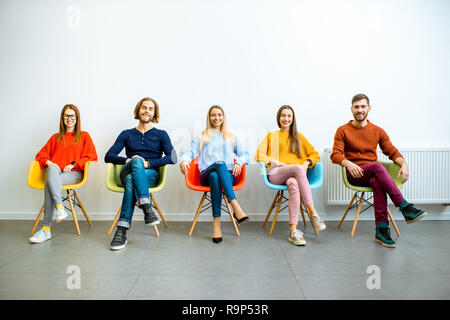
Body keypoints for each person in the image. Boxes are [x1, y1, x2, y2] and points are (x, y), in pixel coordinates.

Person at [331, 93, 427, 248]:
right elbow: (335, 155)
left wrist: (404, 164)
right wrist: (348, 164)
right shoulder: (342, 130)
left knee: (377, 181)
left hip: (373, 173)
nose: (360, 110)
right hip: (354, 174)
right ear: (351, 109)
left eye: (363, 106)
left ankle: (381, 230)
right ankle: (404, 206)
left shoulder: (378, 131)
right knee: (377, 166)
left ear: (369, 108)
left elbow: (392, 152)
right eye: (356, 107)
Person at [105, 97, 177, 250]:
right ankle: (146, 206)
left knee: (133, 177)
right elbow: (108, 156)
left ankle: (122, 231)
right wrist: (128, 161)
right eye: (144, 107)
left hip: (149, 175)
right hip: (127, 170)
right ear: (138, 110)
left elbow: (173, 157)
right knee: (135, 162)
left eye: (150, 109)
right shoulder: (126, 134)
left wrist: (148, 163)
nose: (147, 111)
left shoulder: (161, 134)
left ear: (154, 113)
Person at [255, 105, 325, 246]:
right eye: (283, 115)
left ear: (293, 119)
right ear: (278, 118)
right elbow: (258, 154)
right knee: (298, 170)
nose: (286, 118)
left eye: (289, 116)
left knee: (293, 184)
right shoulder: (272, 136)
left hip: (294, 175)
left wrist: (306, 163)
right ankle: (313, 213)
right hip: (276, 174)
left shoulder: (298, 137)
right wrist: (274, 161)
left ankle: (293, 231)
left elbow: (315, 154)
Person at [179, 105, 249, 243]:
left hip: (227, 176)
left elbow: (245, 154)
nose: (216, 118)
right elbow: (189, 152)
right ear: (209, 118)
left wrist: (239, 162)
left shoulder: (230, 136)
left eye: (219, 115)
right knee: (218, 164)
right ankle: (235, 205)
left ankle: (216, 225)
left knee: (215, 177)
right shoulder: (202, 136)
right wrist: (184, 160)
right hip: (205, 173)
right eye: (213, 115)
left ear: (223, 117)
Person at [30, 104, 98, 243]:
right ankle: (60, 208)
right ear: (62, 118)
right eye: (66, 115)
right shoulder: (56, 137)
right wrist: (50, 163)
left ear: (77, 118)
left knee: (50, 183)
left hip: (74, 174)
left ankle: (46, 230)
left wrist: (73, 164)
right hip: (55, 173)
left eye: (72, 115)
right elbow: (40, 155)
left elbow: (91, 156)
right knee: (51, 172)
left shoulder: (84, 136)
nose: (69, 118)